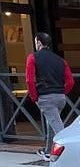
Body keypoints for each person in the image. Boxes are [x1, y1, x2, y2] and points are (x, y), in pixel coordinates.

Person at [25, 32, 74, 160]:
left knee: (58, 128)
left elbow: (29, 80)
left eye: (36, 42)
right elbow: (70, 81)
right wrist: (62, 92)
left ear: (39, 43)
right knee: (51, 122)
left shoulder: (32, 57)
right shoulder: (60, 60)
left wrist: (34, 96)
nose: (35, 45)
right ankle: (48, 151)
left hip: (45, 97)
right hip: (60, 97)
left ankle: (70, 154)